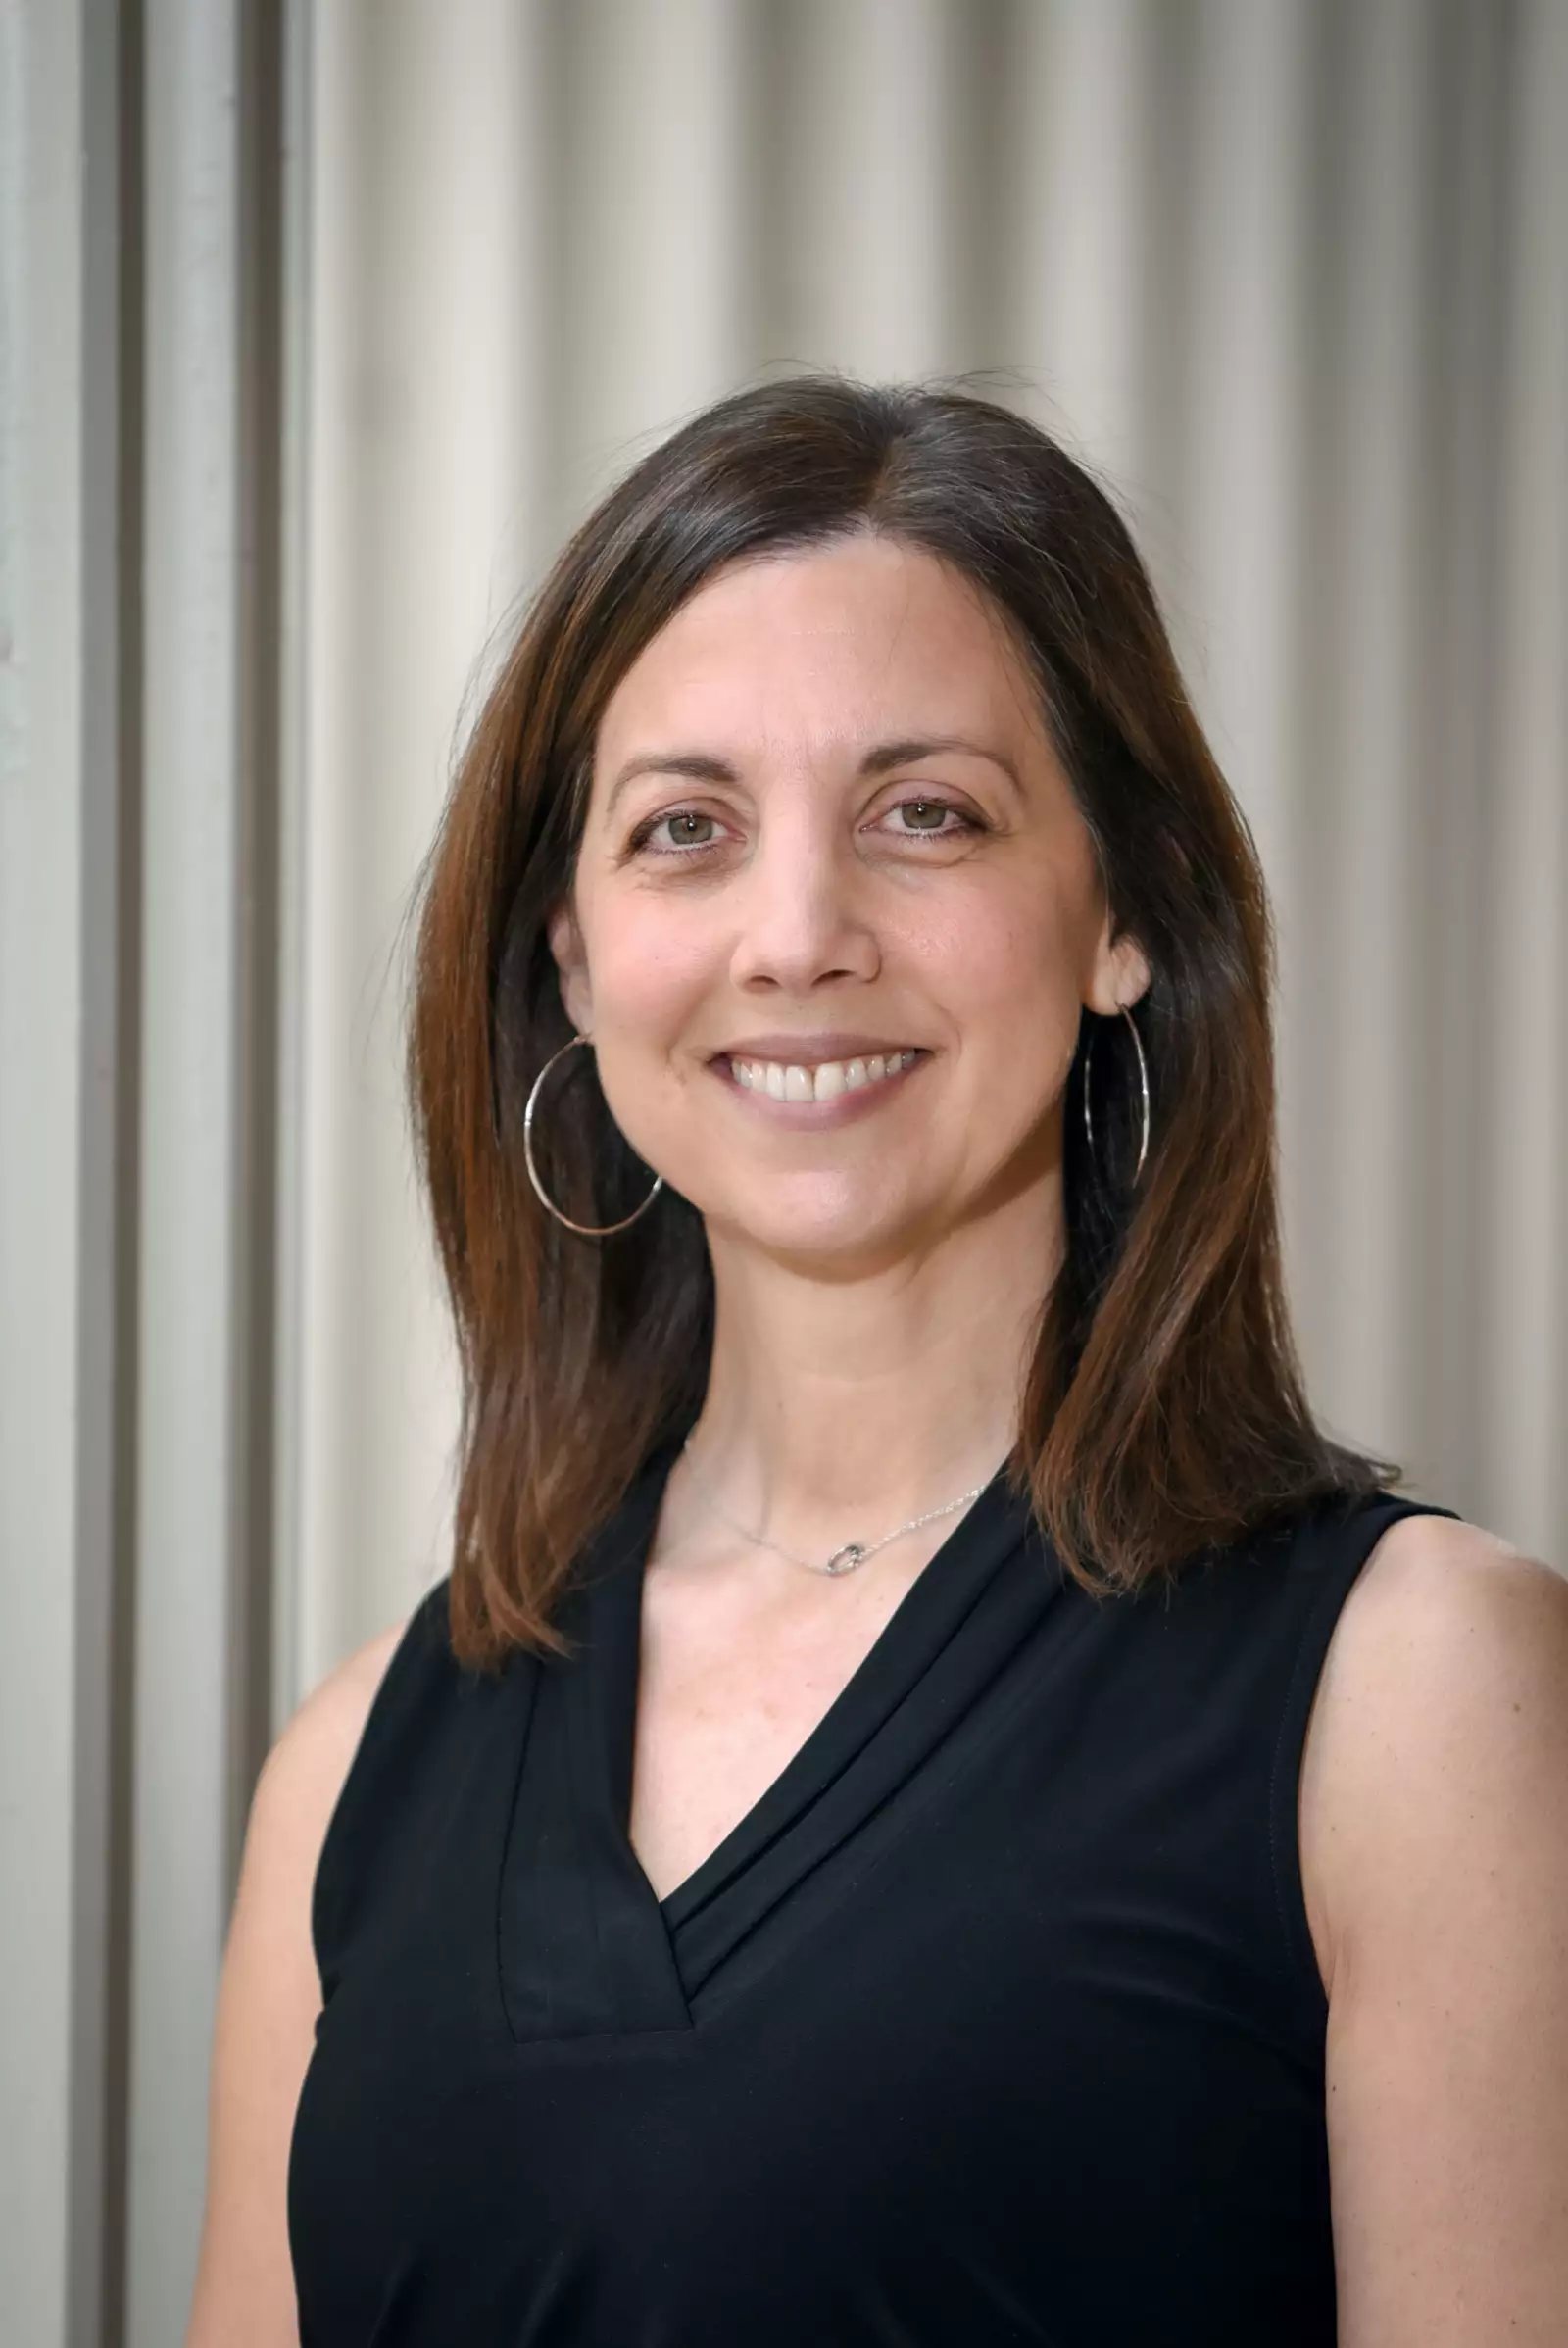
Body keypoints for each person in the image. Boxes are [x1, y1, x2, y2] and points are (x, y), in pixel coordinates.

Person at [185, 378, 1568, 2347]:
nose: (798, 931)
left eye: (924, 813)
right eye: (686, 829)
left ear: (1123, 910)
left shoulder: (1421, 1698)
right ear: (570, 953)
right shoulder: (347, 1778)